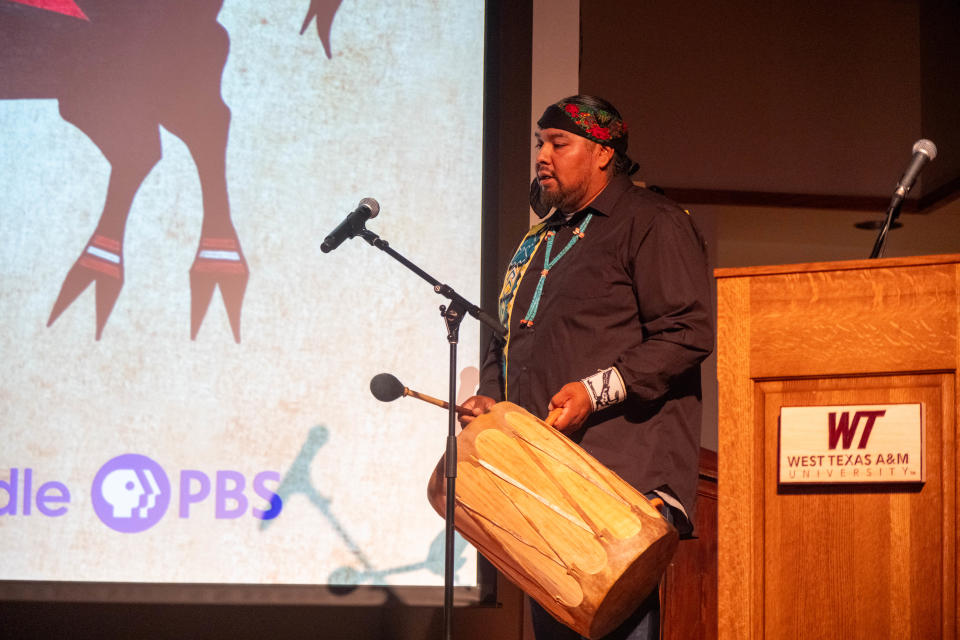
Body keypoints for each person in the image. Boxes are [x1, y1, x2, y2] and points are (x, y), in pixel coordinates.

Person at [460, 95, 714, 640]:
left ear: (603, 153)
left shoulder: (652, 222)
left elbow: (686, 332)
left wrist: (594, 392)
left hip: (618, 480)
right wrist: (491, 398)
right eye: (539, 144)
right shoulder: (541, 239)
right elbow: (507, 335)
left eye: (559, 144)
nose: (542, 157)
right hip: (545, 476)